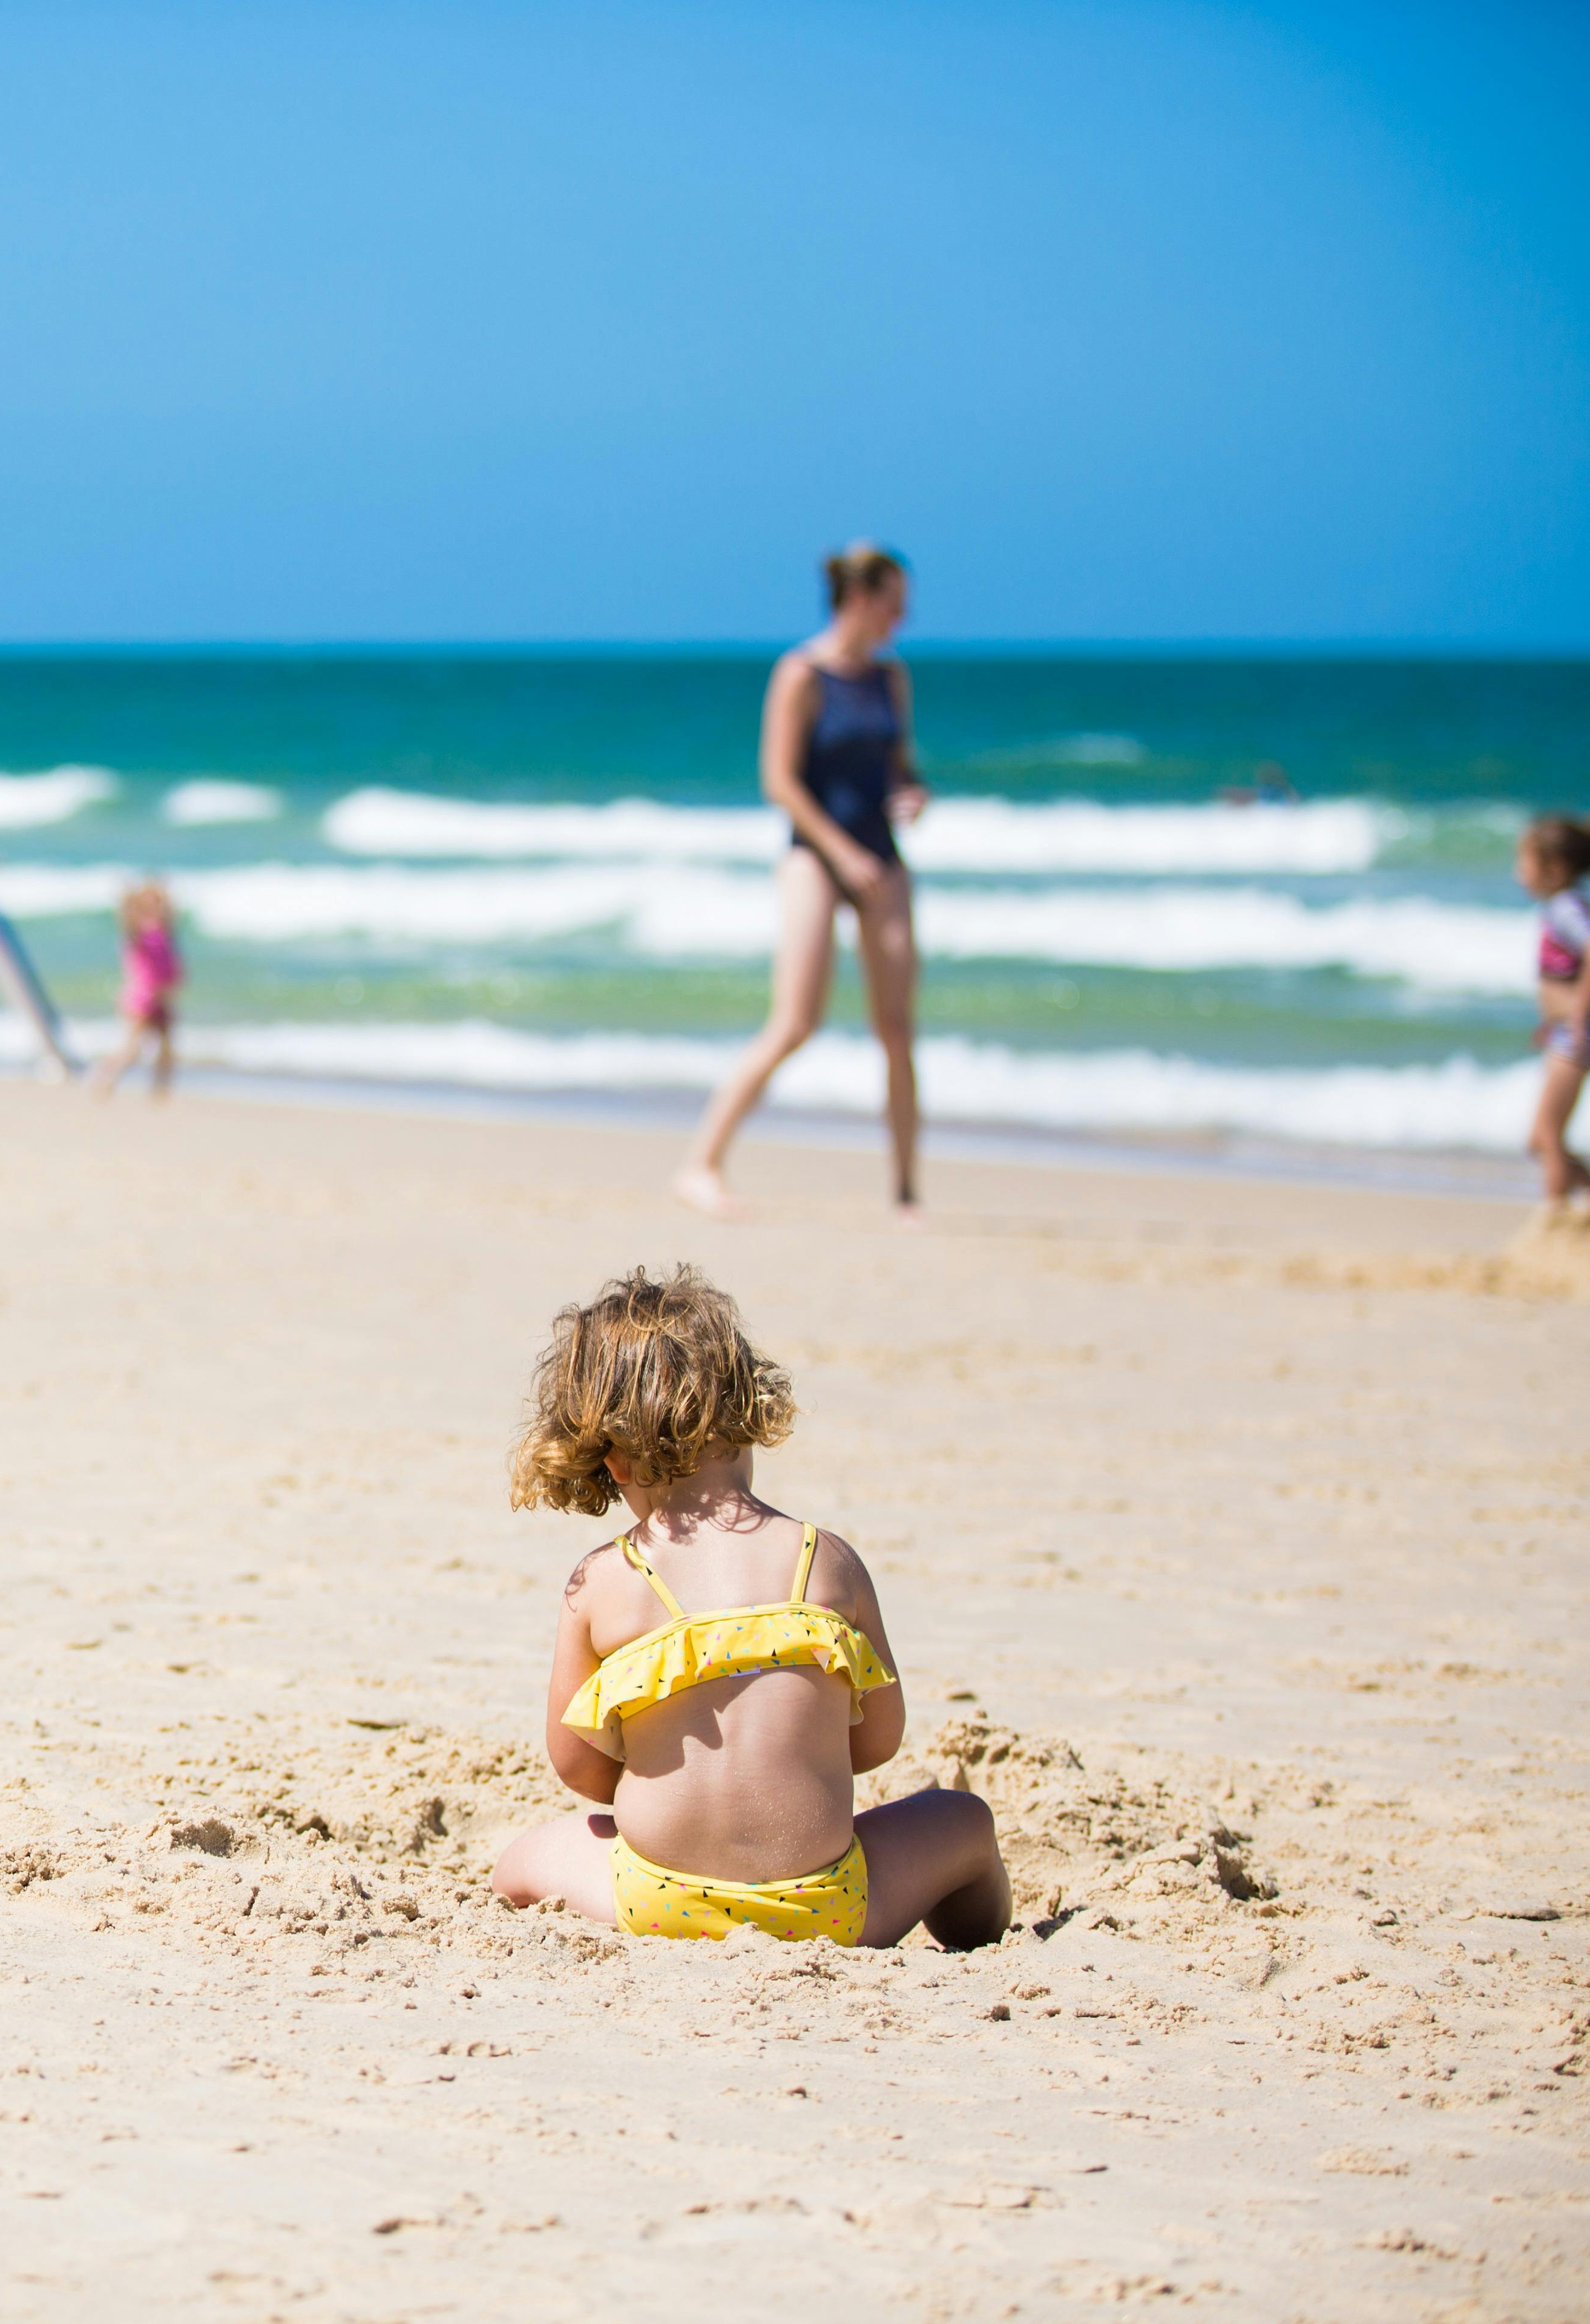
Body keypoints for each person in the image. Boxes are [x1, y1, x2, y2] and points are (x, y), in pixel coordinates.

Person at [489, 1265, 1009, 1949]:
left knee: (520, 1864)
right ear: (749, 1414)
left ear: (610, 1461)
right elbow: (878, 1742)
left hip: (656, 1899)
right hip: (828, 1910)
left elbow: (579, 1769)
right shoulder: (827, 1561)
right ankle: (977, 1937)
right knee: (961, 1818)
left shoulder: (603, 1580)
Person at [676, 543, 929, 1221]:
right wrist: (842, 854)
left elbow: (900, 765)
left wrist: (912, 793)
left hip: (882, 854)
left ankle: (906, 1192)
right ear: (859, 598)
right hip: (816, 857)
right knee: (795, 1022)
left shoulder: (891, 680)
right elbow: (780, 781)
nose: (901, 615)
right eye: (893, 601)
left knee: (897, 1028)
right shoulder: (801, 674)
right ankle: (701, 1164)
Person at [1521, 813, 1590, 1214]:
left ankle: (1555, 1214)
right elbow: (1566, 972)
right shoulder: (1563, 906)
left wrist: (1577, 1015)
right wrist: (1553, 1021)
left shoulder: (1564, 908)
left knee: (1547, 1134)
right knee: (1539, 1138)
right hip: (1564, 1031)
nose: (1518, 872)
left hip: (1575, 1034)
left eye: (1523, 861)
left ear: (1553, 868)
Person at [91, 878, 182, 1100]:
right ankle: (105, 1077)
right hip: (141, 998)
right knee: (132, 1049)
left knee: (167, 1049)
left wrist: (163, 895)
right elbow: (126, 918)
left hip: (161, 998)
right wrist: (128, 898)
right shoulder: (136, 934)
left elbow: (170, 914)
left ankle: (160, 1090)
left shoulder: (163, 930)